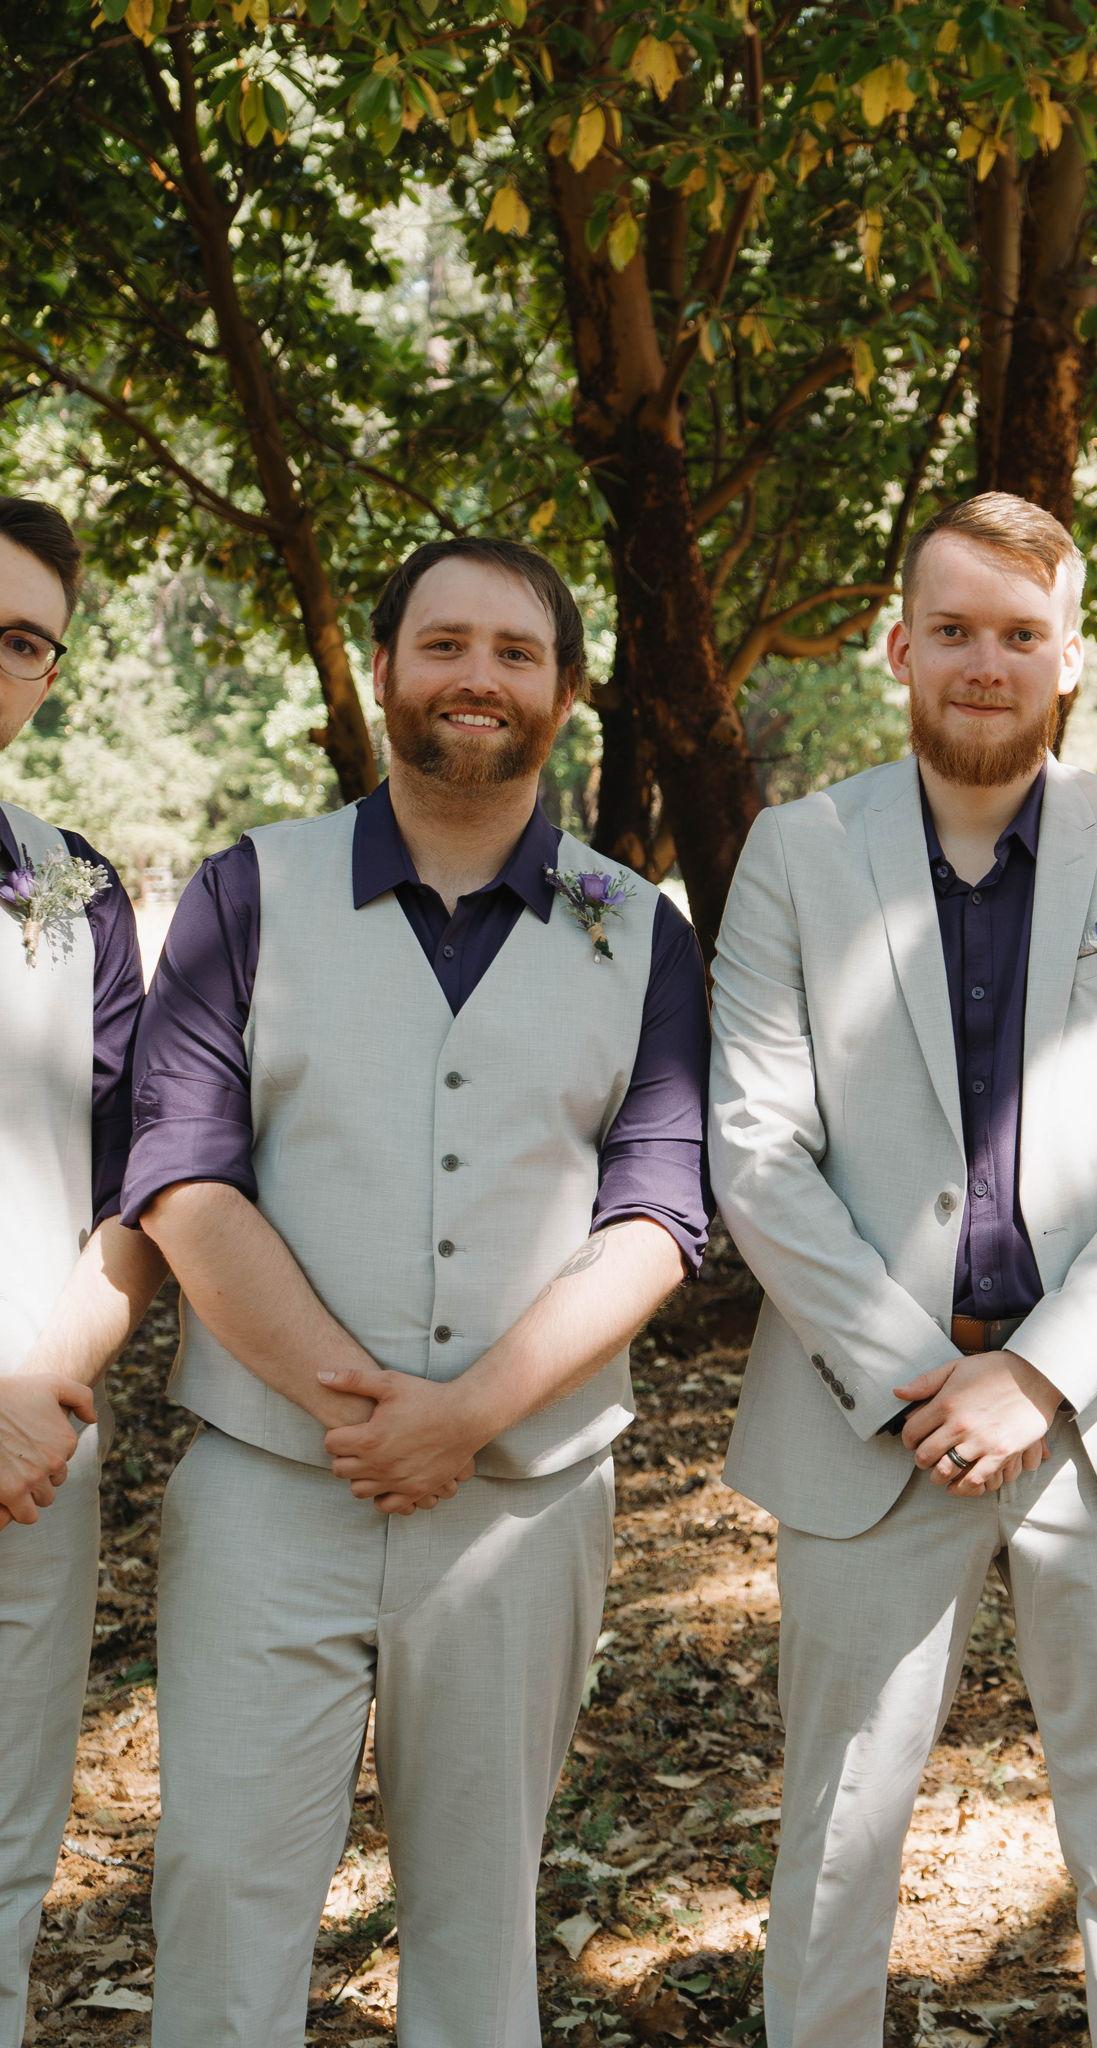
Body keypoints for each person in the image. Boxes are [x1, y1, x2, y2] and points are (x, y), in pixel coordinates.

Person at [124, 538, 712, 2048]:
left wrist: (467, 1415)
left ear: (566, 694)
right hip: (268, 1484)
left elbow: (658, 1210)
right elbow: (185, 1176)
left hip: (522, 1503)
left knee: (478, 1912)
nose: (478, 677)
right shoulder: (250, 891)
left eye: (517, 653)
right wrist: (363, 1410)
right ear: (381, 669)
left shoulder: (638, 928)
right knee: (224, 1887)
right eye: (444, 644)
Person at [708, 492, 1097, 2047]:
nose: (985, 662)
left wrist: (1038, 1372)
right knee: (836, 1836)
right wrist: (921, 1379)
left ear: (1069, 658)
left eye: (1021, 633)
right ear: (899, 647)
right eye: (952, 629)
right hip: (867, 1420)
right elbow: (755, 1148)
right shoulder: (797, 853)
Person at [0, 496, 163, 2048]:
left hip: (29, 1452)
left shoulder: (73, 888)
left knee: (2, 1852)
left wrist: (45, 1388)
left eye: (21, 640)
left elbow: (138, 1183)